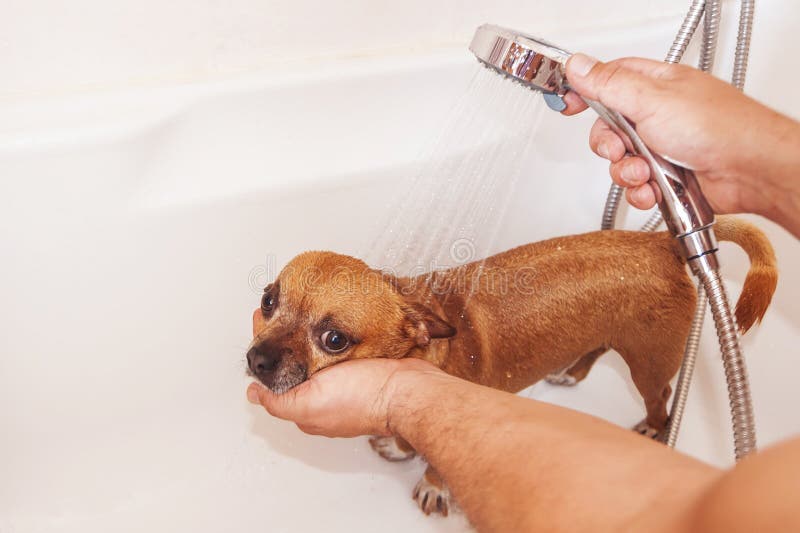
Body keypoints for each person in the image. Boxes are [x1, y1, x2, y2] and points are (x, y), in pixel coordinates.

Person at [246, 54, 800, 531]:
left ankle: (657, 417)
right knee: (588, 323)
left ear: (414, 329)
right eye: (274, 303)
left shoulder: (407, 321)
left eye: (334, 339)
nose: (264, 349)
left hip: (648, 292)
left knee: (650, 380)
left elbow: (664, 516)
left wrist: (406, 417)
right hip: (632, 263)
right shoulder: (389, 305)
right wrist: (754, 157)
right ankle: (583, 358)